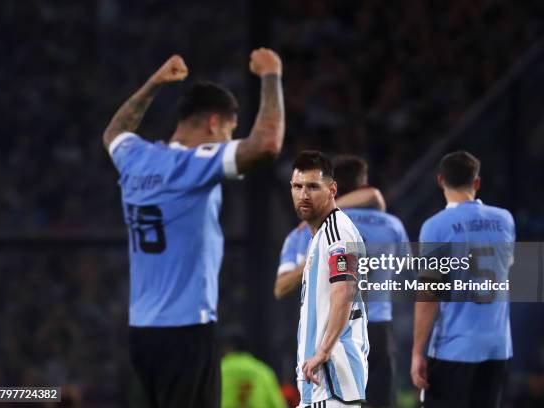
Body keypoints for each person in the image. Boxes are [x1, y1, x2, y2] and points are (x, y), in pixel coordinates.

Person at [102, 49, 284, 407]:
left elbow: (114, 132)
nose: (228, 139)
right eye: (230, 130)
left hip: (142, 333)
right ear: (215, 123)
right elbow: (266, 144)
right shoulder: (193, 163)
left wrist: (153, 84)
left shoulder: (137, 158)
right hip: (185, 331)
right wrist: (271, 76)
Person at [277, 155, 410, 407]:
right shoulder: (392, 225)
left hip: (329, 329)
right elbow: (404, 273)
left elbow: (287, 286)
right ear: (363, 184)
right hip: (378, 325)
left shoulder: (311, 228)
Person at [411, 151, 515, 408]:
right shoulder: (504, 220)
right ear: (476, 183)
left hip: (454, 348)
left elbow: (429, 296)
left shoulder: (436, 226)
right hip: (497, 347)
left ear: (440, 181)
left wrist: (417, 353)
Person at [290, 150, 369, 407]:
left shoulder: (337, 231)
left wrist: (322, 351)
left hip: (332, 378)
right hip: (320, 383)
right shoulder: (321, 236)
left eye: (313, 187)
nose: (303, 195)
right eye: (298, 186)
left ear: (332, 190)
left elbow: (344, 291)